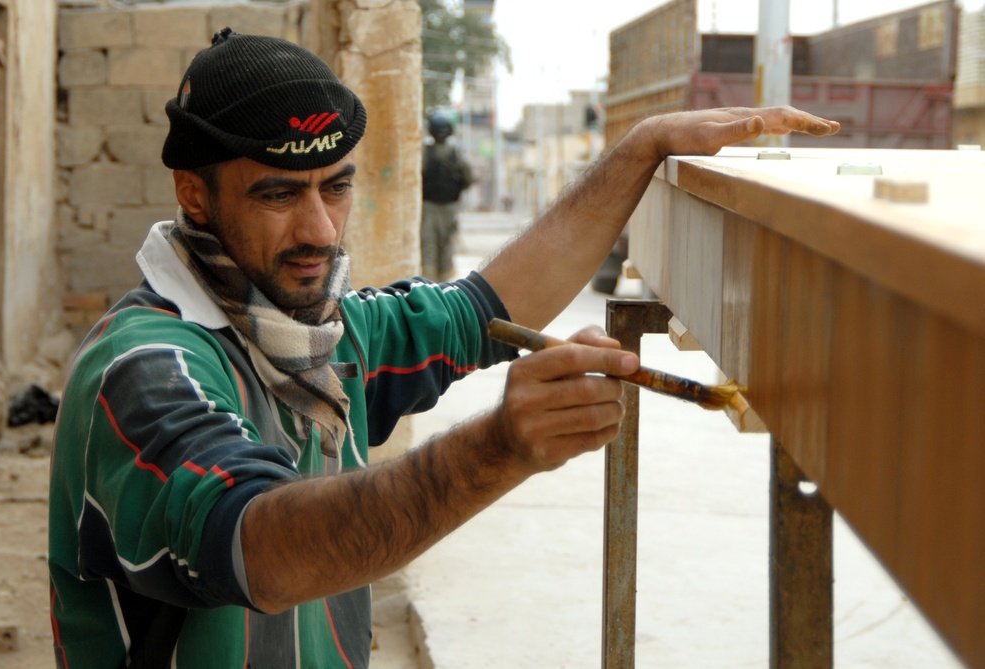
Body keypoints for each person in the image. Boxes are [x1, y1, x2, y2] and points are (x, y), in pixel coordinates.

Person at [47, 28, 838, 669]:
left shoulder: (332, 332)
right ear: (195, 192)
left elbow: (487, 306)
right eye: (279, 194)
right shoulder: (144, 371)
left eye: (337, 186)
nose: (320, 230)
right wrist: (496, 446)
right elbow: (263, 547)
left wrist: (639, 148)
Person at [420, 112, 473, 282]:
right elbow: (468, 178)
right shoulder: (455, 154)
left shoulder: (425, 153)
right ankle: (441, 284)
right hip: (445, 206)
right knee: (446, 244)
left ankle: (430, 282)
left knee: (429, 244)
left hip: (429, 206)